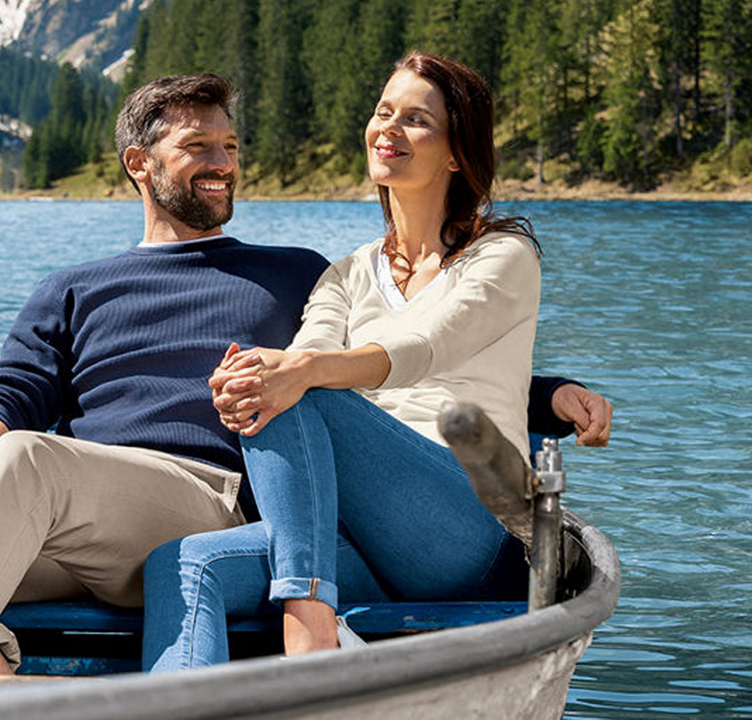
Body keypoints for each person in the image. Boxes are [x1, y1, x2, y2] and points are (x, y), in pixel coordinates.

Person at [0, 71, 611, 676]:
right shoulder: (74, 286)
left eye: (230, 148)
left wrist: (543, 396)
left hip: (207, 493)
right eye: (199, 149)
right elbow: (13, 387)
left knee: (31, 458)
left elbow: (403, 358)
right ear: (138, 163)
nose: (223, 164)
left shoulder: (289, 272)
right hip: (69, 511)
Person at [143, 53, 609, 672]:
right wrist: (247, 378)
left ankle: (308, 638)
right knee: (181, 565)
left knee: (293, 385)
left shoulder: (503, 255)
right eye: (384, 111)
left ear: (454, 153)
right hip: (357, 535)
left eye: (416, 119)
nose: (389, 128)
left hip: (471, 528)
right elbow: (304, 355)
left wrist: (295, 373)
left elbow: (421, 349)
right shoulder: (347, 274)